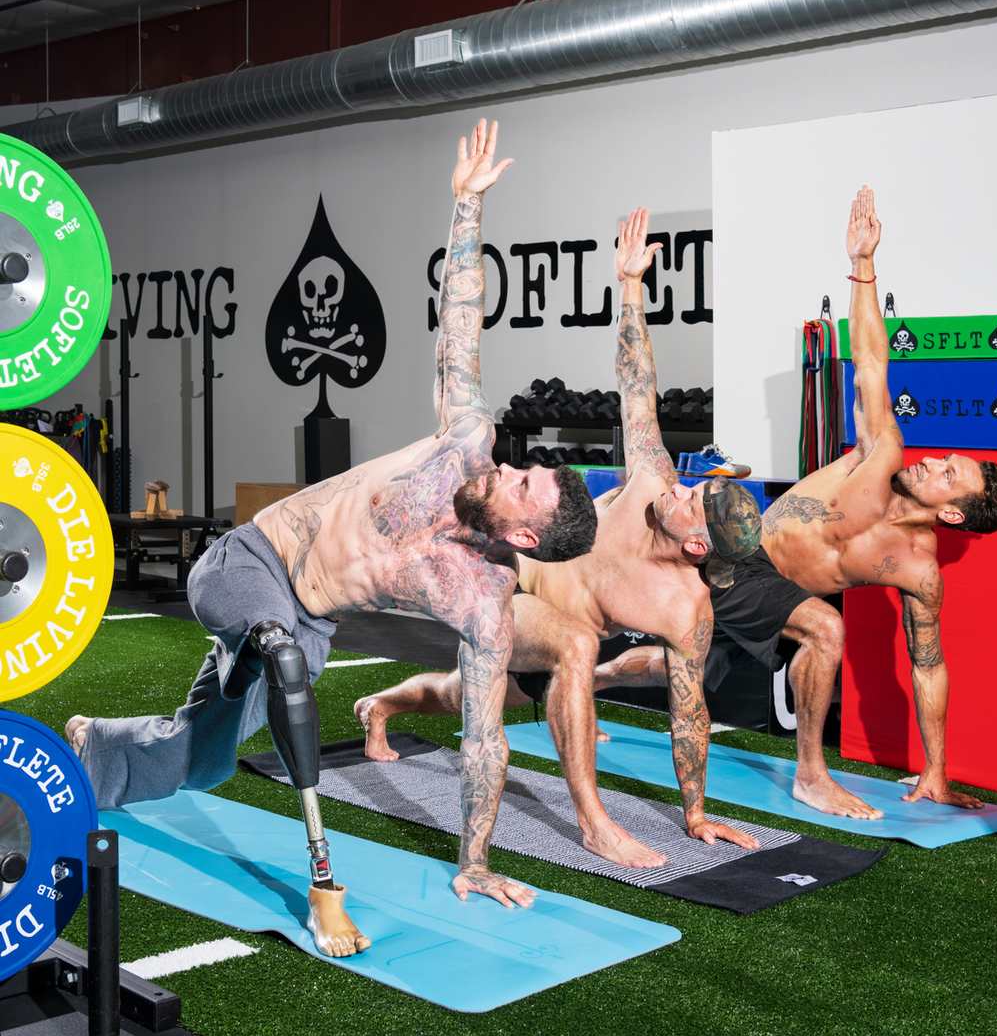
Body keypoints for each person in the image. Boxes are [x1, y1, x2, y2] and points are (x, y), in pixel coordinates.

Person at [66, 120, 598, 956]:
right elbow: (461, 330)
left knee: (202, 760)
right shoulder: (465, 443)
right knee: (283, 660)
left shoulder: (482, 601)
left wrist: (476, 858)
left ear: (525, 535)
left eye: (525, 484)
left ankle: (98, 752)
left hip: (306, 620)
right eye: (523, 466)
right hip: (246, 563)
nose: (513, 468)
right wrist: (466, 207)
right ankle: (323, 884)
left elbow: (484, 736)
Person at [595, 187, 997, 819]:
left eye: (948, 473)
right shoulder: (881, 454)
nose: (933, 461)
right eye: (942, 459)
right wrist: (864, 265)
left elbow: (927, 665)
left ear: (953, 513)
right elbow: (872, 361)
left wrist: (936, 770)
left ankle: (586, 679)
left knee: (678, 662)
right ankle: (812, 775)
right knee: (825, 627)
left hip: (771, 597)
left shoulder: (917, 572)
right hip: (741, 556)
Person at [357, 208, 764, 867]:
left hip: (541, 631)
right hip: (507, 574)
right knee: (574, 645)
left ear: (698, 547)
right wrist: (630, 285)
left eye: (698, 501)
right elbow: (639, 387)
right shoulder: (652, 478)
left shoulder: (686, 611)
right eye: (697, 483)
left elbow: (689, 713)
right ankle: (594, 822)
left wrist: (693, 811)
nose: (684, 487)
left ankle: (380, 704)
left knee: (467, 692)